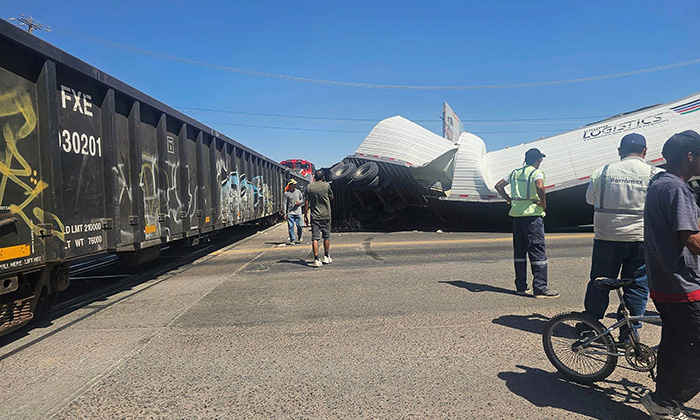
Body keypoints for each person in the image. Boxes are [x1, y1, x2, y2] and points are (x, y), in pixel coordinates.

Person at [641, 130, 700, 420]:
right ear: (691, 156)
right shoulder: (676, 188)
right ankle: (664, 401)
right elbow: (691, 239)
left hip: (666, 281)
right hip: (682, 284)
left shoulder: (660, 184)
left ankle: (662, 398)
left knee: (677, 343)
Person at [583, 133, 661, 340]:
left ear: (619, 151)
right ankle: (629, 334)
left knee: (599, 282)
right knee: (636, 286)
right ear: (645, 151)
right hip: (640, 239)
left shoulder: (603, 171)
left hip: (606, 237)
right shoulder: (655, 174)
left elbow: (590, 199)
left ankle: (590, 324)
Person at [495, 148, 559, 298]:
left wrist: (509, 199)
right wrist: (543, 203)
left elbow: (498, 186)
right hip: (532, 217)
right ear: (538, 160)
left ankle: (521, 287)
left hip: (517, 217)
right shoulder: (536, 173)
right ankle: (540, 288)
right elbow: (540, 186)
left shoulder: (514, 173)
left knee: (520, 252)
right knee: (537, 251)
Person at [304, 169, 334, 268]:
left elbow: (307, 202)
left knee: (315, 238)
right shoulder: (326, 186)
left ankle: (316, 259)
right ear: (323, 177)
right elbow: (331, 197)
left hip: (315, 216)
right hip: (326, 214)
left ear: (314, 177)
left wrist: (305, 215)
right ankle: (326, 256)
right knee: (326, 236)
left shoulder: (309, 187)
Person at [282, 179, 304, 245]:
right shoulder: (286, 194)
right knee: (291, 226)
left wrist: (299, 202)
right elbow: (284, 204)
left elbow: (302, 199)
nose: (295, 185)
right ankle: (293, 239)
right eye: (293, 184)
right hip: (290, 212)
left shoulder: (298, 192)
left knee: (300, 225)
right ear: (290, 185)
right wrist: (284, 213)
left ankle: (300, 236)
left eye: (295, 184)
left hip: (298, 212)